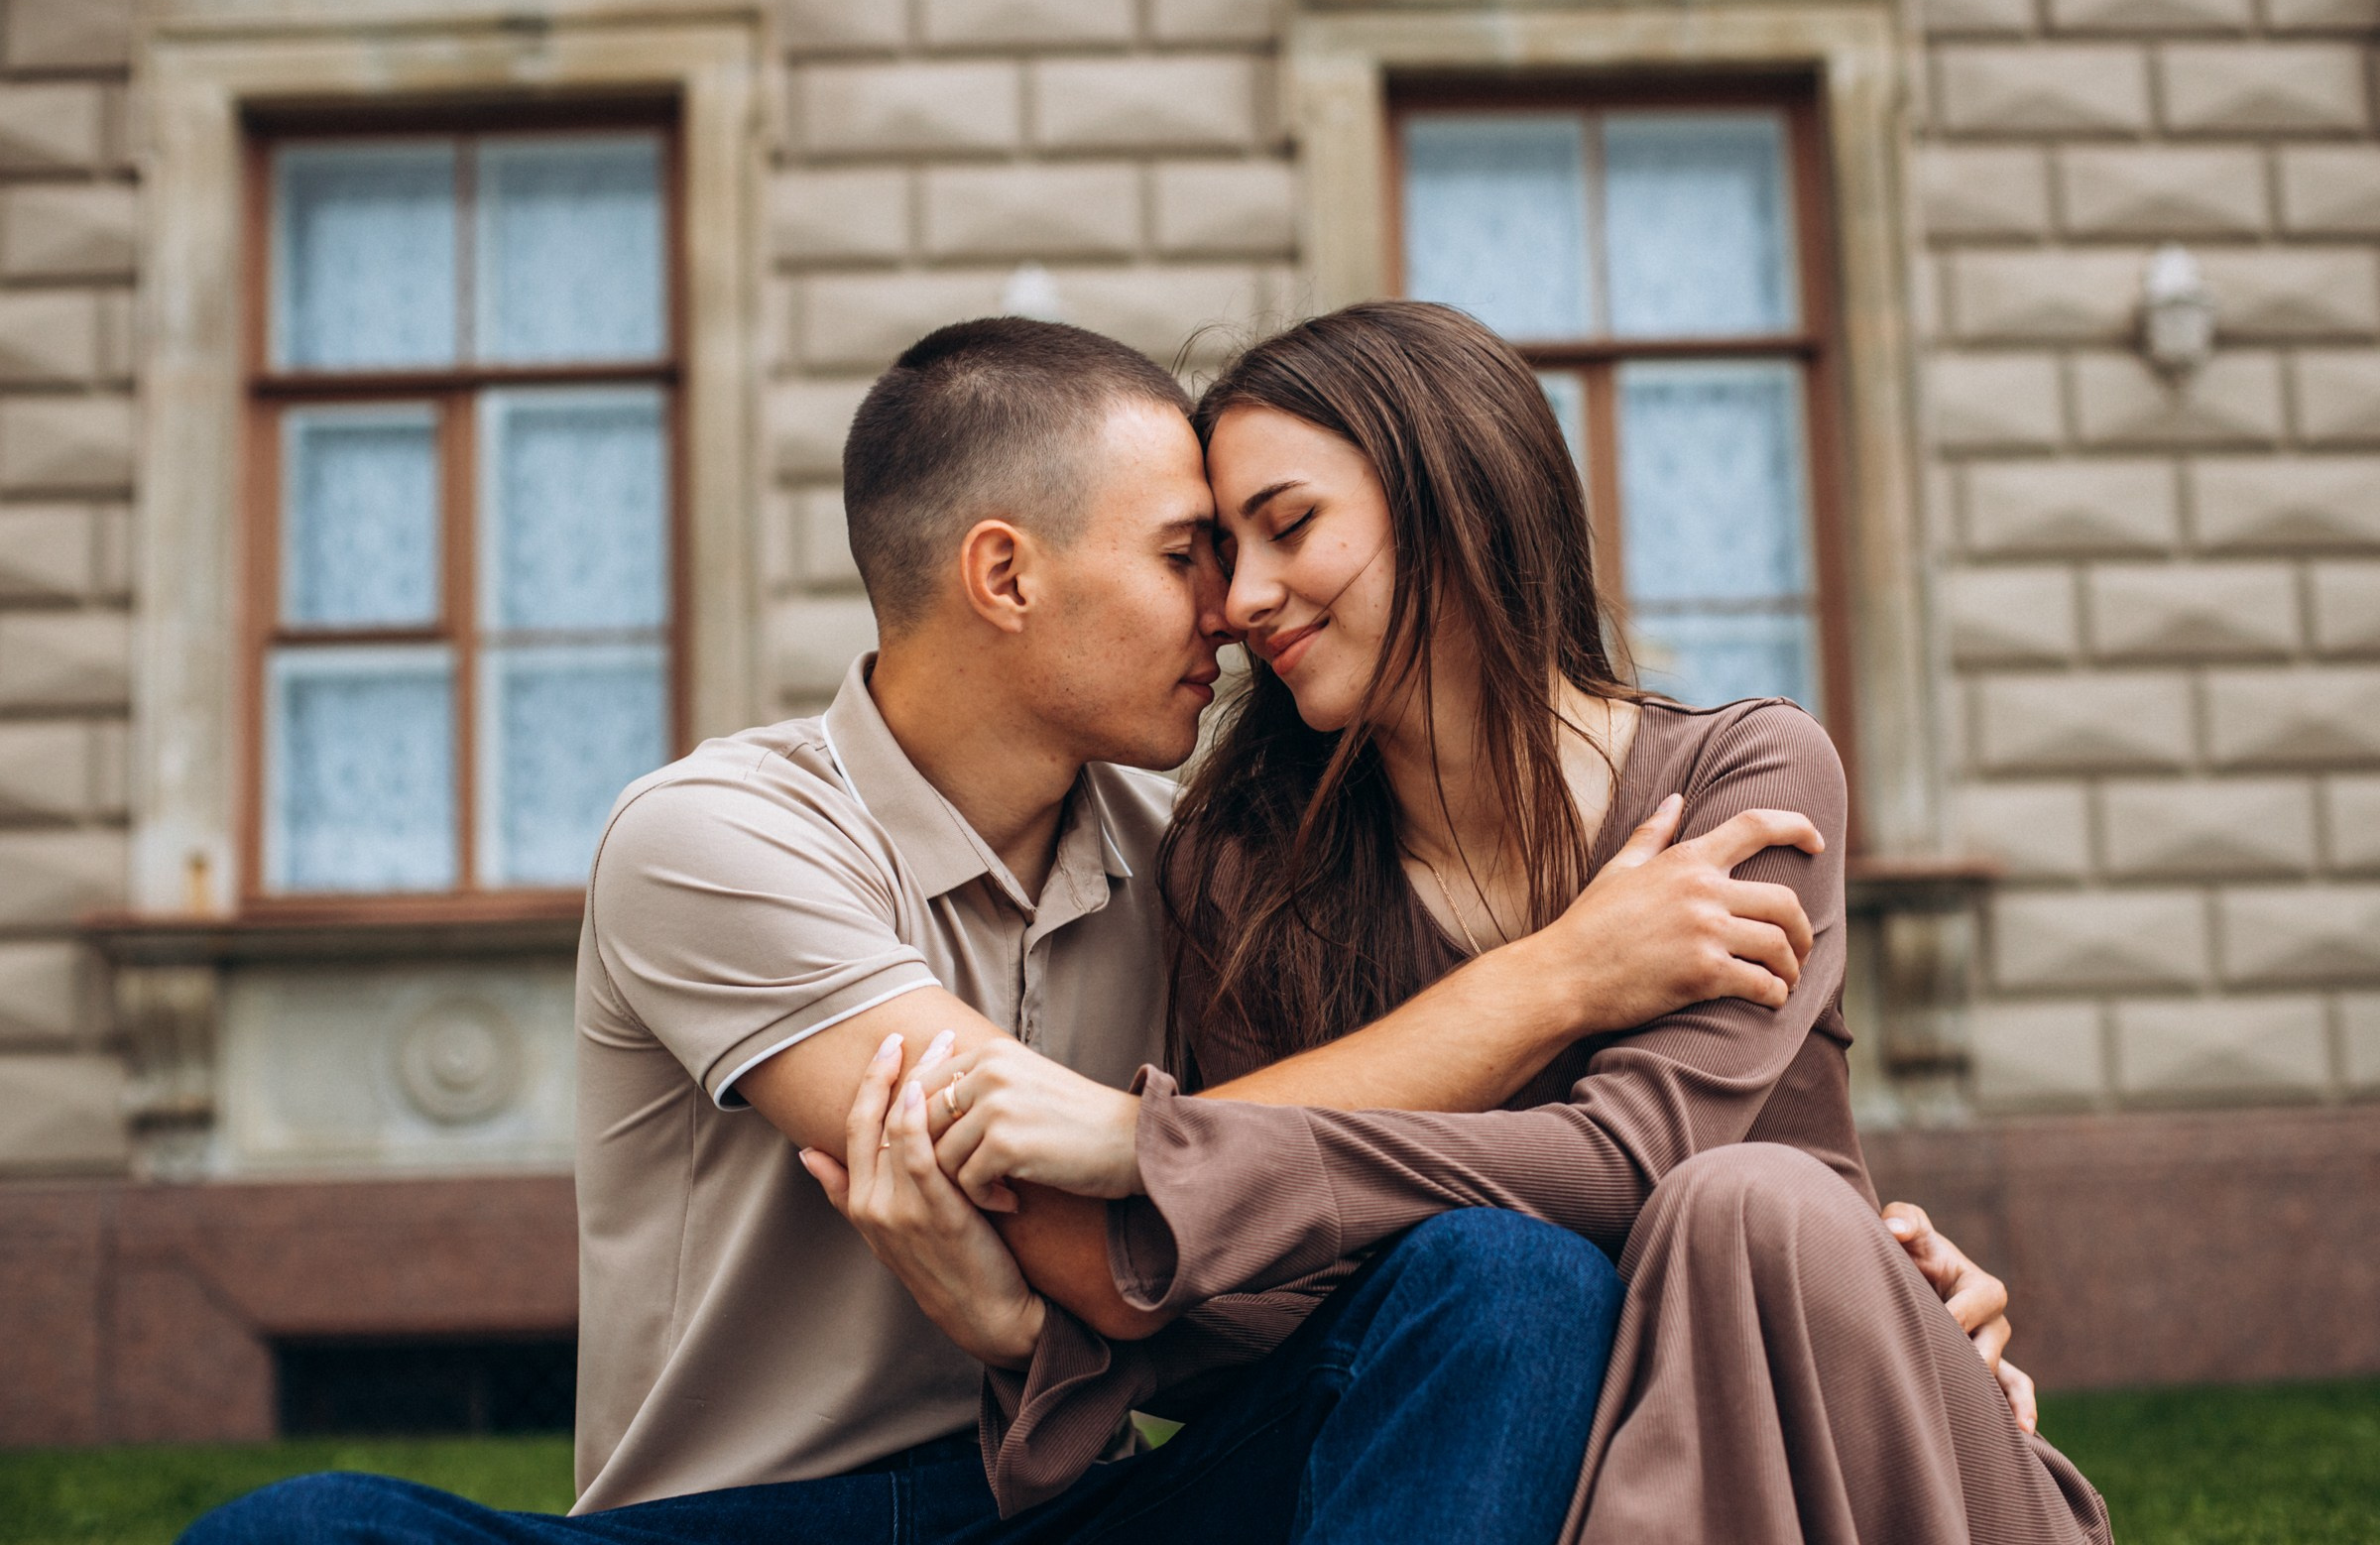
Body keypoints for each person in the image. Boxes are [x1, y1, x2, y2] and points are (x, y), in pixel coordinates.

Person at [183, 317, 2018, 1545]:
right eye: (1192, 553)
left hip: (1055, 1490)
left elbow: (1220, 1230)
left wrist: (1833, 1251)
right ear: (1005, 574)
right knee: (305, 1533)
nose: (1235, 610)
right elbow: (1084, 1222)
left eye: (1266, 541)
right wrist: (1556, 977)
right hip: (758, 1511)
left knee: (1506, 1287)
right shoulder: (719, 838)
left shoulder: (1190, 845)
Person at [904, 302, 2111, 1544]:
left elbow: (1640, 1159)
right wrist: (1051, 1299)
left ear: (1454, 492)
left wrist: (1168, 1152)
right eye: (1217, 550)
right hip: (1507, 1467)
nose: (1243, 602)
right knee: (1515, 1279)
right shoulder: (1248, 869)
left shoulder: (1750, 776)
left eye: (1290, 526)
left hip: (1849, 1463)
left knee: (1748, 1208)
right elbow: (1280, 1305)